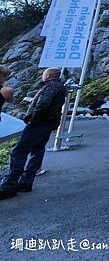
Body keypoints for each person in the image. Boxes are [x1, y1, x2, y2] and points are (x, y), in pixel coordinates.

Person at [0, 68, 66, 200]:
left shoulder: (51, 86)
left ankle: (9, 185)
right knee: (38, 150)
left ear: (47, 76)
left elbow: (43, 104)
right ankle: (26, 182)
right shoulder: (59, 87)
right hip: (49, 123)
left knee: (19, 151)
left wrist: (32, 119)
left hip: (40, 123)